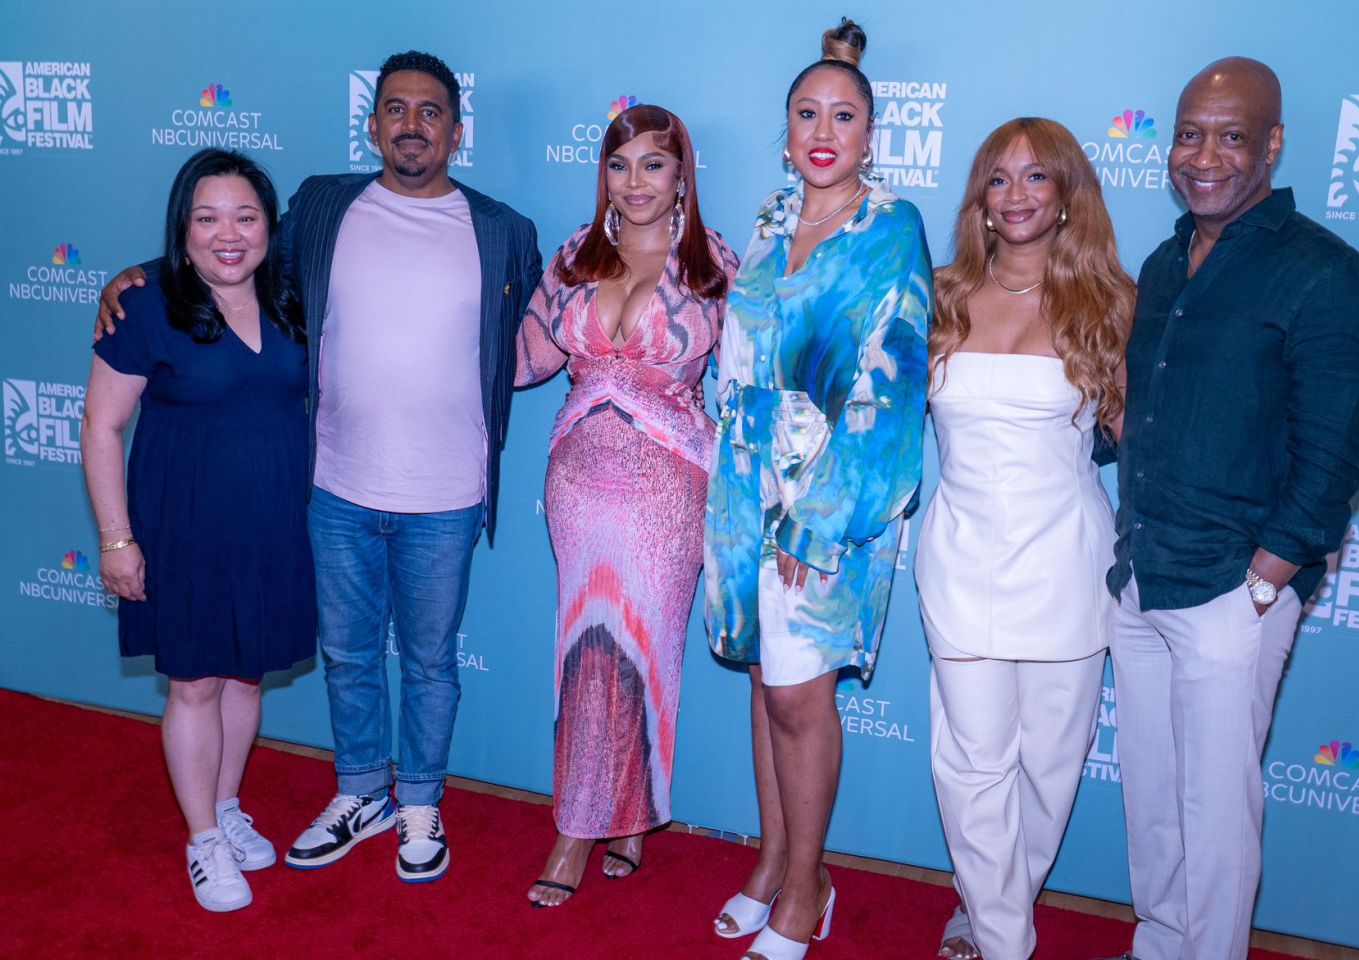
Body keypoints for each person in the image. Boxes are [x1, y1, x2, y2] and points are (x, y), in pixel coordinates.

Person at [95, 50, 543, 884]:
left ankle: (420, 802)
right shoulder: (322, 205)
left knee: (430, 662)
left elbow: (535, 335)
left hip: (447, 492)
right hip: (333, 487)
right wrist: (134, 279)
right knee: (346, 655)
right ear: (371, 126)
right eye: (395, 109)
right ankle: (361, 791)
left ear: (457, 130)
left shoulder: (504, 230)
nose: (412, 125)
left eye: (431, 111)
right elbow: (227, 262)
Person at [1102, 58, 1359, 960]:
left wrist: (1267, 580)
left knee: (1214, 811)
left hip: (1232, 590)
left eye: (1231, 136)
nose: (1204, 156)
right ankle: (1160, 943)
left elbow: (1332, 455)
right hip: (1142, 575)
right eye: (1188, 135)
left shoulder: (1324, 274)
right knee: (1152, 797)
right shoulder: (1164, 262)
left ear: (1272, 144)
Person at [703, 17, 932, 960]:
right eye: (806, 113)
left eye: (843, 115)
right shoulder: (768, 219)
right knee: (767, 683)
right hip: (743, 479)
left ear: (871, 135)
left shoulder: (890, 228)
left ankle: (809, 886)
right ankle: (771, 861)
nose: (823, 130)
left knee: (801, 697)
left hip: (831, 490)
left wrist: (823, 518)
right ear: (786, 128)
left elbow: (892, 384)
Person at [917, 118, 1134, 960]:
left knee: (1048, 768)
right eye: (998, 178)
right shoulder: (935, 296)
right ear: (979, 197)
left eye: (1036, 177)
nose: (1015, 195)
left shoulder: (1109, 305)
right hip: (960, 555)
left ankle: (985, 912)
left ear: (1067, 194)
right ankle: (1006, 939)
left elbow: (1140, 440)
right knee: (971, 766)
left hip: (1065, 561)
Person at [513, 103, 737, 908]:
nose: (634, 181)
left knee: (647, 652)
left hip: (669, 484)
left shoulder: (714, 262)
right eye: (618, 164)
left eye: (653, 164)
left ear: (681, 176)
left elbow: (750, 377)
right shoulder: (577, 253)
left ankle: (627, 812)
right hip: (577, 483)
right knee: (584, 650)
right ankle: (580, 825)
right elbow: (524, 359)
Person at [81, 148, 314, 912]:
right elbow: (101, 425)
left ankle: (224, 805)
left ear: (270, 226)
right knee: (195, 683)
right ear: (181, 227)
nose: (228, 234)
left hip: (271, 523)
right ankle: (202, 839)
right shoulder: (144, 304)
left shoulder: (290, 296)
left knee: (245, 675)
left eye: (245, 217)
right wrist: (117, 539)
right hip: (183, 528)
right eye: (207, 218)